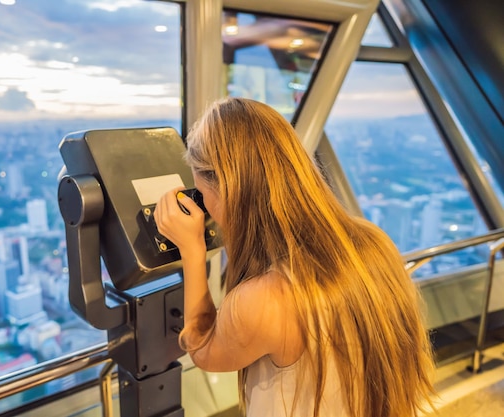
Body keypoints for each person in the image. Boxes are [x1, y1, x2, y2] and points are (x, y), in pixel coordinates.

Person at [154, 97, 435, 417]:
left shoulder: (265, 297)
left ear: (226, 189)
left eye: (202, 196)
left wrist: (192, 252)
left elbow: (204, 351)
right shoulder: (373, 243)